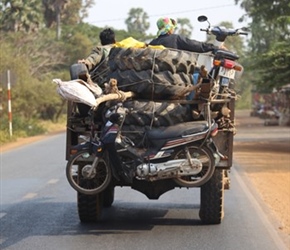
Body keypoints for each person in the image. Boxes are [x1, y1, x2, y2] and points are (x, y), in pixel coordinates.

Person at [149, 17, 220, 53]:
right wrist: (213, 47)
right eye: (172, 27)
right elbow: (194, 45)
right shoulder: (175, 39)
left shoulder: (152, 43)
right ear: (169, 28)